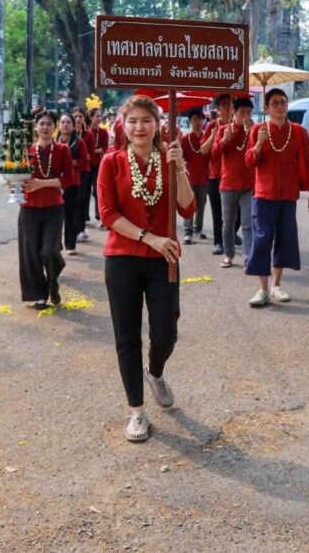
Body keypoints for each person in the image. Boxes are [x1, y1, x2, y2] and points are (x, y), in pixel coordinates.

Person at [97, 94, 195, 442]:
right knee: (126, 337)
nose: (139, 127)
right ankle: (137, 412)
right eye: (133, 121)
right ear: (123, 126)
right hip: (122, 258)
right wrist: (148, 237)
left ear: (158, 125)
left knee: (166, 332)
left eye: (146, 120)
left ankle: (154, 372)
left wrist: (179, 167)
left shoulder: (169, 159)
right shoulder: (111, 162)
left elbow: (187, 208)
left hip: (163, 260)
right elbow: (107, 214)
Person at [244, 88, 309, 307]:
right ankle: (262, 289)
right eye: (275, 103)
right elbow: (249, 162)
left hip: (288, 196)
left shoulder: (298, 131)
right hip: (263, 195)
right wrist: (259, 144)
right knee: (262, 240)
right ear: (266, 108)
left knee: (285, 239)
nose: (280, 106)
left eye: (283, 102)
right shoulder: (258, 130)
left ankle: (276, 285)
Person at [19, 111, 75, 309]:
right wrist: (13, 184)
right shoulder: (25, 150)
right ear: (35, 127)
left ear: (55, 127)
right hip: (29, 208)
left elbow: (69, 178)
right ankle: (39, 295)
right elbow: (17, 175)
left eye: (49, 124)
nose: (45, 127)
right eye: (41, 123)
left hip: (53, 207)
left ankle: (52, 283)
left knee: (50, 251)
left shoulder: (62, 149)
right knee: (31, 254)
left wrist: (42, 183)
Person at [215, 97, 256, 268]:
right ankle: (228, 254)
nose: (245, 116)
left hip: (248, 185)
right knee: (227, 224)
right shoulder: (224, 130)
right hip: (228, 184)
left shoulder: (254, 130)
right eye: (242, 112)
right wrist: (224, 140)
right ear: (234, 112)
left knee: (247, 223)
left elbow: (260, 154)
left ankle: (248, 258)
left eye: (248, 112)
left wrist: (253, 134)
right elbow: (214, 155)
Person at [200, 94, 233, 255]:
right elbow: (203, 150)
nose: (227, 108)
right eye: (224, 104)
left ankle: (231, 233)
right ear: (218, 108)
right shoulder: (212, 125)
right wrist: (214, 135)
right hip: (215, 175)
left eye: (230, 104)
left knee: (239, 212)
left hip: (234, 176)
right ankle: (219, 242)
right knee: (218, 212)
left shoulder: (239, 125)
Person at [58, 113, 89, 256]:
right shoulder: (54, 141)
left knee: (70, 214)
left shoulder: (78, 142)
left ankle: (71, 244)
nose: (65, 125)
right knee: (56, 215)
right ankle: (55, 244)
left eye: (68, 122)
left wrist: (69, 163)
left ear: (73, 125)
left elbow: (84, 160)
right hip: (55, 183)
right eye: (63, 122)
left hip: (72, 182)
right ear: (59, 125)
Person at [180, 110, 210, 244]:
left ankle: (198, 228)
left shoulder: (207, 138)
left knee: (201, 204)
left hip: (204, 177)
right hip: (189, 178)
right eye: (194, 119)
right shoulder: (185, 139)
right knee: (189, 205)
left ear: (203, 121)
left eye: (199, 119)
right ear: (190, 122)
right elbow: (180, 157)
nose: (197, 122)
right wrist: (178, 144)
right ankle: (188, 231)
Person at [87, 108, 110, 229]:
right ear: (90, 117)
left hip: (97, 164)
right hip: (85, 165)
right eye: (97, 116)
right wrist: (92, 151)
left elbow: (103, 148)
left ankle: (100, 216)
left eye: (100, 116)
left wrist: (91, 152)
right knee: (84, 192)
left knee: (97, 191)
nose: (99, 118)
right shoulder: (85, 132)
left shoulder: (103, 132)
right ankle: (84, 217)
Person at [74, 109, 95, 237]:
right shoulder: (65, 132)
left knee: (82, 199)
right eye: (75, 116)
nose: (77, 119)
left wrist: (80, 159)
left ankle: (81, 228)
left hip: (83, 171)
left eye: (80, 116)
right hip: (69, 172)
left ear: (84, 118)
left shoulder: (88, 134)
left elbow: (90, 154)